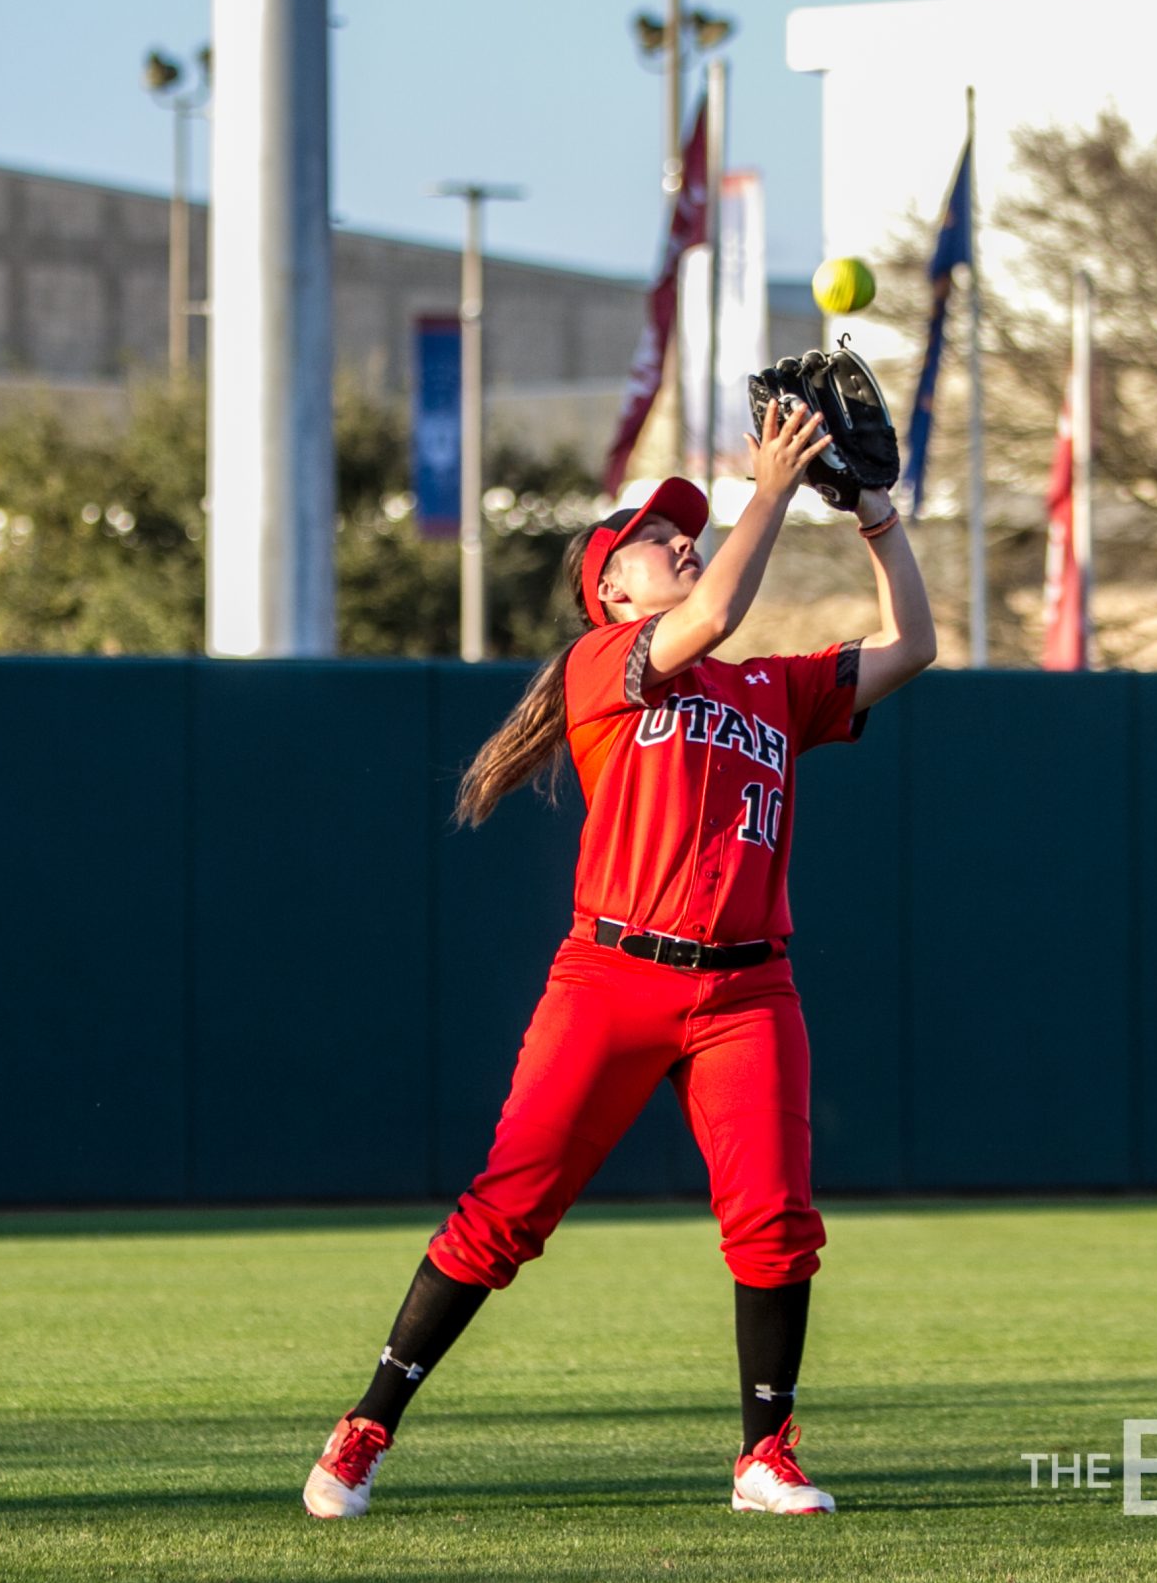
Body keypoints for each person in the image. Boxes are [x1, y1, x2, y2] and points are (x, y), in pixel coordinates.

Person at [303, 399, 937, 1518]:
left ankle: (763, 1456)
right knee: (505, 1215)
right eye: (655, 538)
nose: (680, 540)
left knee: (777, 1221)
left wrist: (875, 513)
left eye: (683, 529)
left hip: (747, 987)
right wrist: (772, 487)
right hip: (612, 979)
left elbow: (916, 647)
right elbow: (721, 601)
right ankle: (365, 1428)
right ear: (613, 591)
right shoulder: (608, 666)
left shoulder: (771, 691)